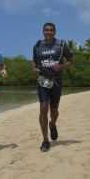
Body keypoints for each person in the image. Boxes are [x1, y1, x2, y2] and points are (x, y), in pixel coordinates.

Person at [32, 22, 73, 152]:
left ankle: (52, 124)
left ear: (54, 32)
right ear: (43, 31)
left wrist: (61, 67)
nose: (48, 32)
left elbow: (71, 60)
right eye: (46, 30)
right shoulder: (38, 45)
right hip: (42, 81)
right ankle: (45, 140)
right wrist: (34, 68)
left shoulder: (61, 45)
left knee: (54, 111)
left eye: (51, 30)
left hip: (56, 81)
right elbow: (34, 61)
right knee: (43, 108)